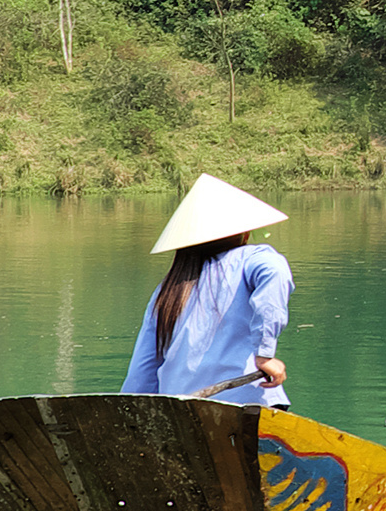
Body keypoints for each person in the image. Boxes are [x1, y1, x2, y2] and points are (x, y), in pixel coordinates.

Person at [124, 174, 296, 406]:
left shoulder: (168, 291)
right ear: (243, 234)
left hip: (181, 412)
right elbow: (275, 272)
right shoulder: (250, 259)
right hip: (246, 405)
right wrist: (264, 353)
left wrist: (133, 411)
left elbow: (142, 370)